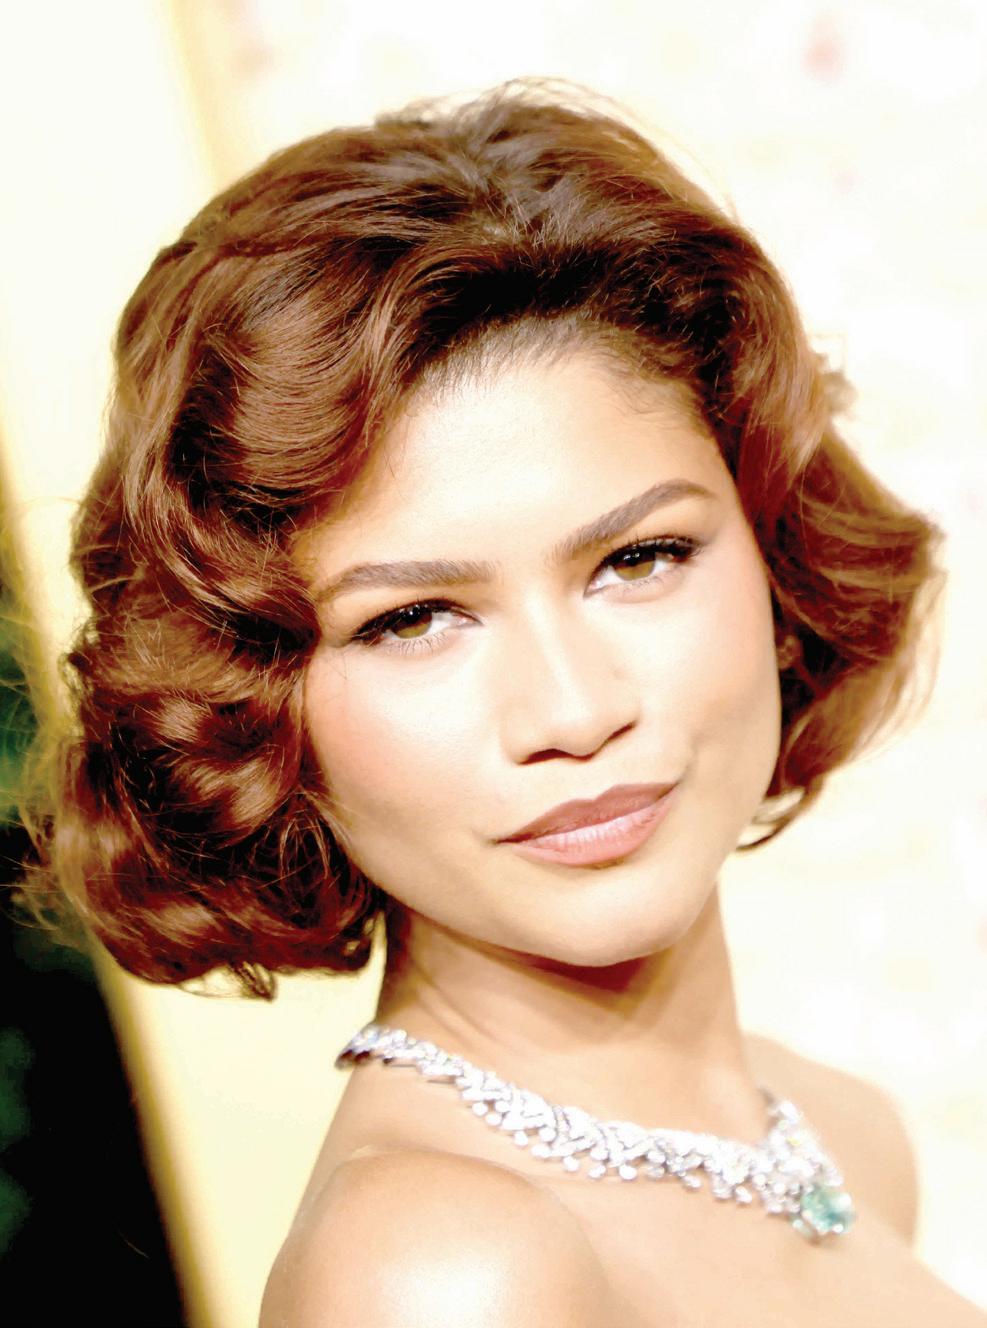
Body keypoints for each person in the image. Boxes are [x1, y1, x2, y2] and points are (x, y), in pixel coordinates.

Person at [19, 79, 985, 1326]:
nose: (574, 711)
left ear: (776, 551)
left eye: (639, 558)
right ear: (257, 702)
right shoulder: (443, 1272)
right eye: (413, 619)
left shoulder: (840, 1141)